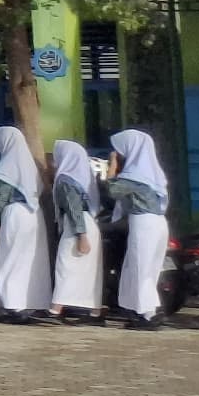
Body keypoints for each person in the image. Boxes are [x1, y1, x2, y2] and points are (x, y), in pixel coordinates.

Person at [104, 128, 170, 324]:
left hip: (144, 223)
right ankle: (138, 309)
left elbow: (111, 190)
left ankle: (146, 314)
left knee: (140, 267)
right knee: (146, 268)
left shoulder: (134, 175)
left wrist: (112, 165)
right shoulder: (153, 173)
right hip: (158, 222)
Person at [0, 123, 49, 320]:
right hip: (34, 215)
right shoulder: (29, 165)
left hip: (14, 214)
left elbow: (0, 198)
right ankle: (30, 303)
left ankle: (11, 304)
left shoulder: (7, 166)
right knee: (30, 260)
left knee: (9, 259)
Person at [45, 136, 104, 321]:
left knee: (66, 265)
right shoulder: (82, 177)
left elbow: (73, 208)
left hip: (77, 226)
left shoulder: (65, 180)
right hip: (89, 224)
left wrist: (81, 235)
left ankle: (56, 309)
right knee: (89, 271)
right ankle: (95, 312)